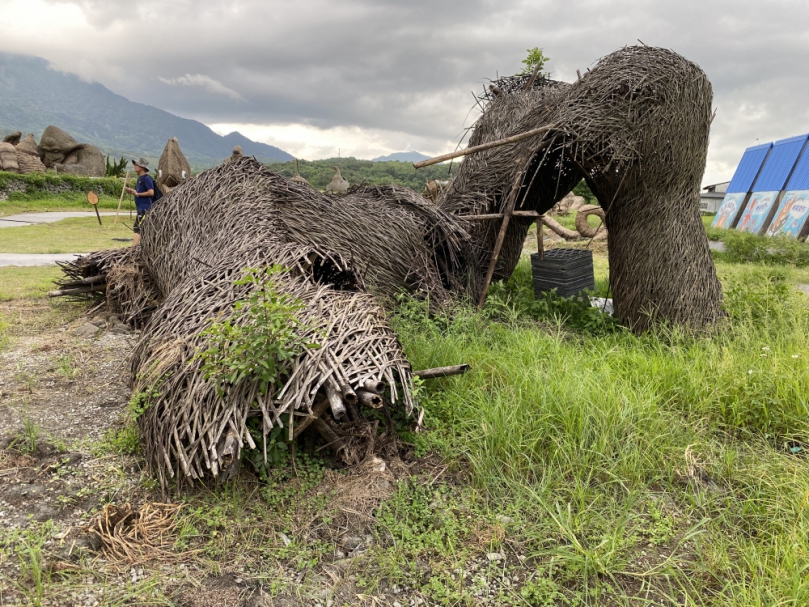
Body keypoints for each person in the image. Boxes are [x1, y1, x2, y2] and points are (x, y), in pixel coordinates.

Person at [124, 157, 154, 245]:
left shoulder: (147, 178)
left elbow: (151, 192)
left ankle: (133, 248)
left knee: (137, 227)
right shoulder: (140, 178)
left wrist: (137, 194)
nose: (134, 166)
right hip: (140, 207)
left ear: (141, 167)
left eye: (136, 165)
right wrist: (132, 191)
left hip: (145, 208)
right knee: (142, 228)